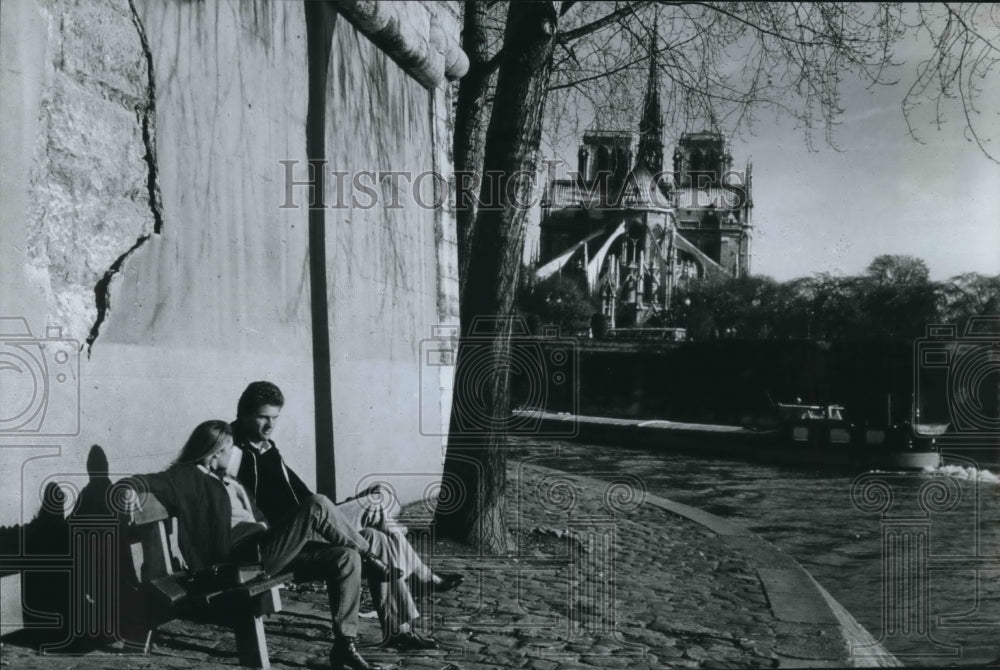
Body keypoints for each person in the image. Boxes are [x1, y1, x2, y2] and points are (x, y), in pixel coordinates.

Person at [125, 420, 383, 670]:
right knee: (316, 503)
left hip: (267, 548)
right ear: (215, 453)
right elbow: (146, 481)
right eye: (230, 448)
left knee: (346, 557)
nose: (235, 453)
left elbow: (258, 518)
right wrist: (127, 491)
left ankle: (345, 646)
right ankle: (371, 556)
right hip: (244, 557)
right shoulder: (186, 477)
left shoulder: (229, 480)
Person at [232, 381, 462, 650]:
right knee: (373, 507)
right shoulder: (235, 452)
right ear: (244, 414)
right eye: (262, 417)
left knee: (379, 535)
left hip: (312, 523)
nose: (270, 426)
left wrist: (344, 506)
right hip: (287, 536)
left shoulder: (268, 449)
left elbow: (303, 495)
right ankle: (419, 573)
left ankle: (398, 630)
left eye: (275, 418)